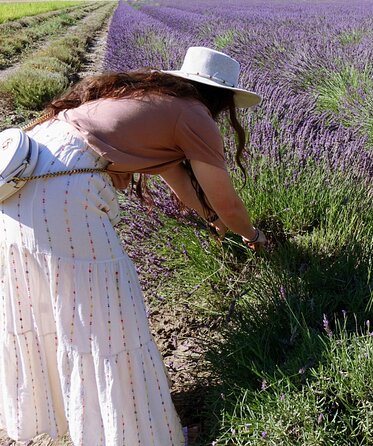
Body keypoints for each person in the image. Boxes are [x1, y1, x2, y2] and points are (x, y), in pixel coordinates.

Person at [0, 47, 266, 445]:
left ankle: (84, 424)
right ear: (221, 97)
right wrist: (253, 235)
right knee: (109, 324)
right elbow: (227, 199)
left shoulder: (145, 99)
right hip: (63, 197)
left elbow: (178, 180)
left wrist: (213, 223)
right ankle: (136, 436)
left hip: (18, 187)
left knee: (53, 314)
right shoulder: (193, 114)